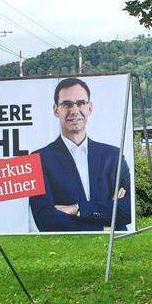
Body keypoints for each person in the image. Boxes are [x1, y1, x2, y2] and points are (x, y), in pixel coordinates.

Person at [29, 78, 131, 232]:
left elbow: (128, 209)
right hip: (68, 251)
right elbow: (46, 219)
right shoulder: (38, 160)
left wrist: (77, 209)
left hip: (117, 250)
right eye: (67, 104)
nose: (74, 111)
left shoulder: (114, 156)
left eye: (81, 103)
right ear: (56, 110)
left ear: (90, 108)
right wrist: (105, 226)